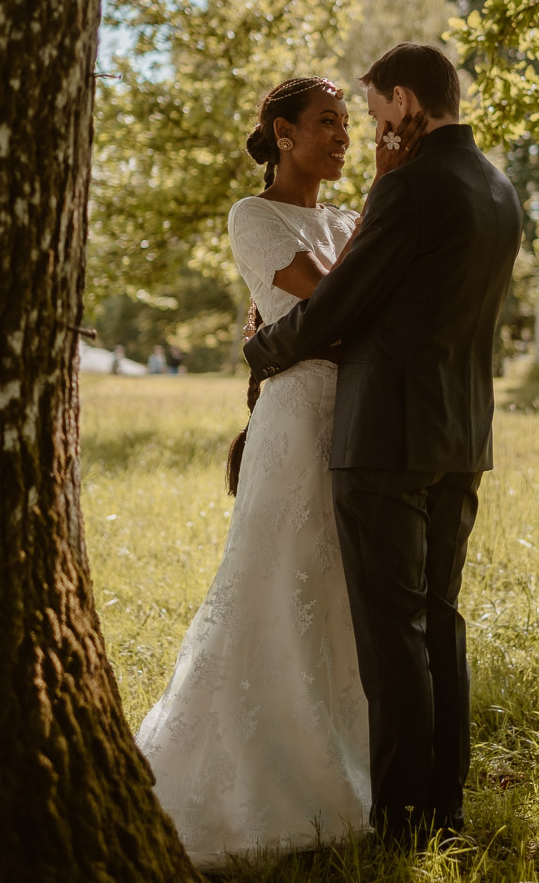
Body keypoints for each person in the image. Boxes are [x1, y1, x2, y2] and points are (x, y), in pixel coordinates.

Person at [244, 43, 523, 846]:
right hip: (461, 433)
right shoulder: (498, 188)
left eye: (372, 112)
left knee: (392, 631)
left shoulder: (410, 186)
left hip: (383, 436)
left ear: (404, 101)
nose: (372, 128)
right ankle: (445, 807)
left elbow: (342, 304)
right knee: (439, 620)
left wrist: (263, 352)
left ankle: (401, 820)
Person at [136, 75, 413, 866]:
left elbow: (364, 306)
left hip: (354, 420)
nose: (342, 136)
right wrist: (374, 220)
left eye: (345, 125)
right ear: (283, 133)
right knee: (274, 582)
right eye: (325, 122)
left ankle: (349, 762)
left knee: (338, 593)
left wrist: (371, 215)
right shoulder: (252, 216)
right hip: (293, 422)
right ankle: (257, 777)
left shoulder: (345, 218)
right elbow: (330, 300)